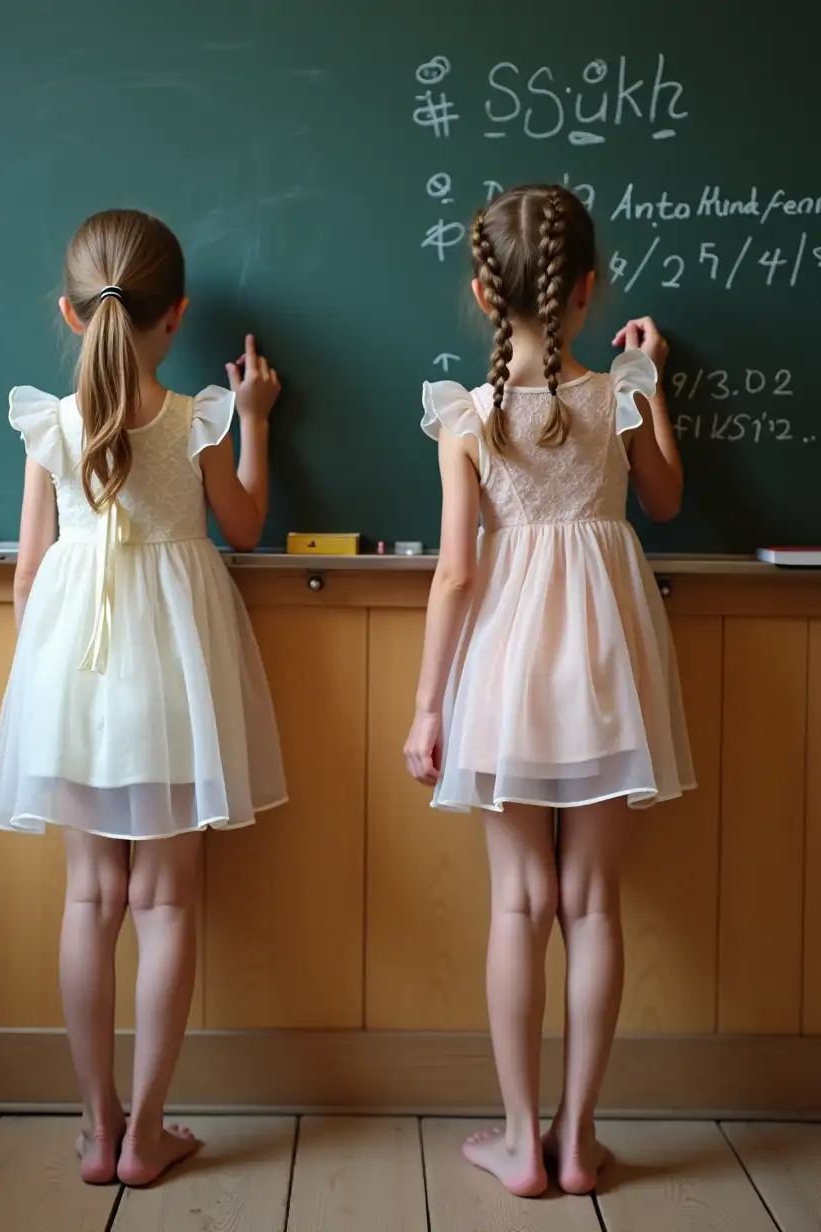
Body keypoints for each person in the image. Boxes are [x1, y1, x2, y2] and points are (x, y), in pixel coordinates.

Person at [0, 209, 286, 1186]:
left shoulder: (53, 423)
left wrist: (44, 687)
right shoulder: (197, 414)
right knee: (164, 898)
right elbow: (242, 524)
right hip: (175, 675)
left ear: (72, 315)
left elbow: (28, 577)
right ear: (177, 314)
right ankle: (147, 1130)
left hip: (76, 673)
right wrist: (260, 422)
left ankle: (94, 1126)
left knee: (90, 894)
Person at [404, 184, 694, 1198]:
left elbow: (453, 575)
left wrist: (427, 707)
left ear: (482, 290)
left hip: (507, 672)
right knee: (593, 902)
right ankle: (579, 1141)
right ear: (587, 288)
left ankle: (521, 1141)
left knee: (519, 901)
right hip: (610, 666)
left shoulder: (468, 416)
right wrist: (649, 380)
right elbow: (664, 498)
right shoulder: (614, 394)